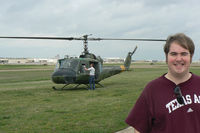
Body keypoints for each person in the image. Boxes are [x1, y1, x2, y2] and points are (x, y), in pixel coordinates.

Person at [125, 33, 200, 133]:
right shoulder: (152, 89)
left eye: (184, 54)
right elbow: (138, 130)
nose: (178, 58)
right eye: (173, 54)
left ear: (191, 56)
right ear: (166, 56)